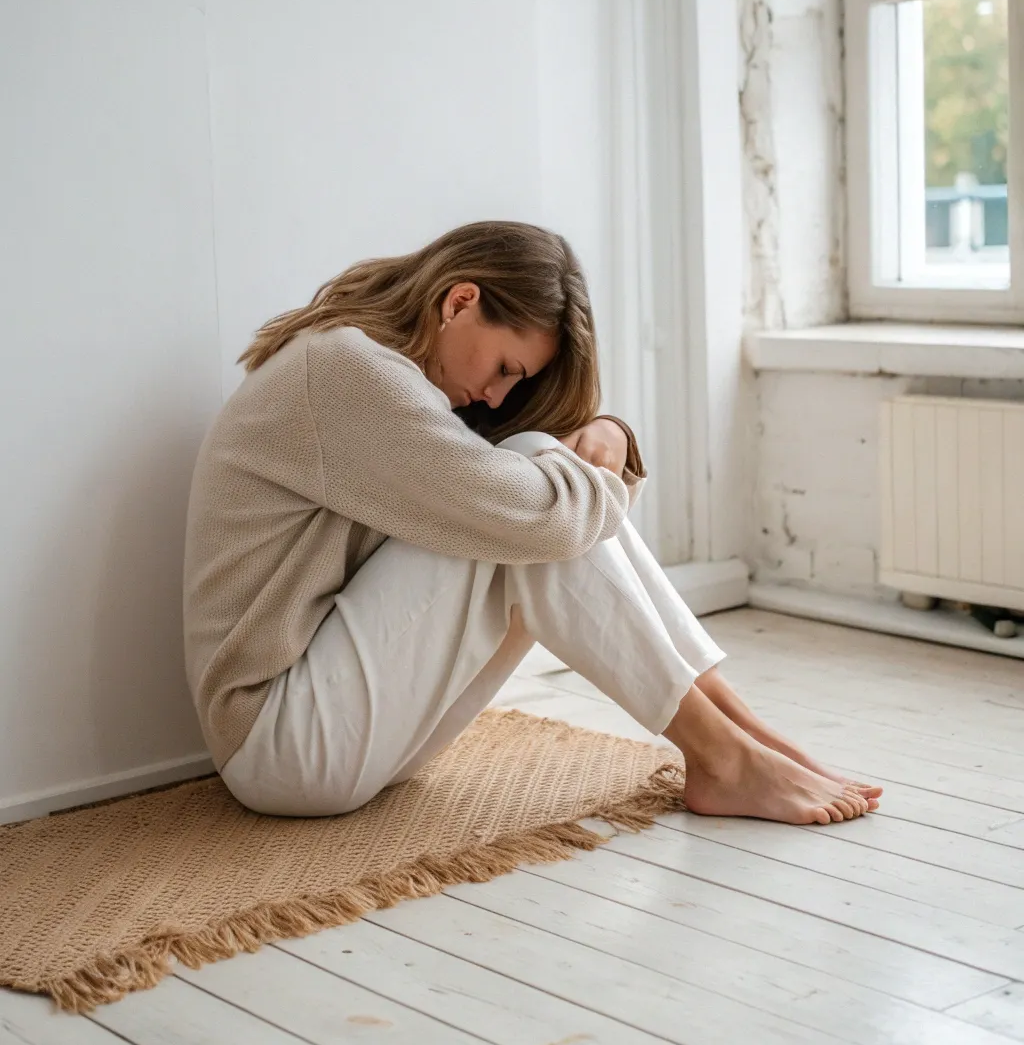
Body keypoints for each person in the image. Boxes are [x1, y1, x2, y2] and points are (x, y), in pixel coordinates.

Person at [183, 220, 881, 825]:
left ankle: (739, 732)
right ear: (459, 301)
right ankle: (722, 754)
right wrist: (609, 456)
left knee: (534, 478)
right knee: (535, 498)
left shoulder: (377, 375)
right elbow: (541, 520)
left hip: (341, 734)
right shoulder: (343, 372)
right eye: (505, 367)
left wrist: (605, 434)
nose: (494, 393)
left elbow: (540, 504)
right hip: (279, 743)